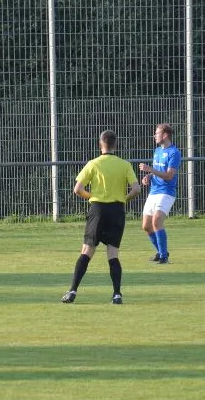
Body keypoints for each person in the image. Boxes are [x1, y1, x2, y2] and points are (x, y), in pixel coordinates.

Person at [62, 130, 141, 304]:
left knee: (87, 251)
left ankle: (72, 291)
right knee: (113, 254)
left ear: (100, 145)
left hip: (97, 210)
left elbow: (77, 189)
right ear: (115, 145)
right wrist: (124, 198)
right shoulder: (124, 165)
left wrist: (91, 197)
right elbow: (136, 189)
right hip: (117, 210)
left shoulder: (93, 164)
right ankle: (117, 294)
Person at [139, 123, 181, 264]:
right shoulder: (157, 151)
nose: (154, 136)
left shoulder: (174, 153)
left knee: (156, 221)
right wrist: (149, 177)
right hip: (154, 191)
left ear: (165, 135)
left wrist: (150, 169)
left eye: (157, 133)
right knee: (146, 226)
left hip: (166, 192)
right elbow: (157, 172)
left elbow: (169, 176)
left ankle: (164, 257)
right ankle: (162, 252)